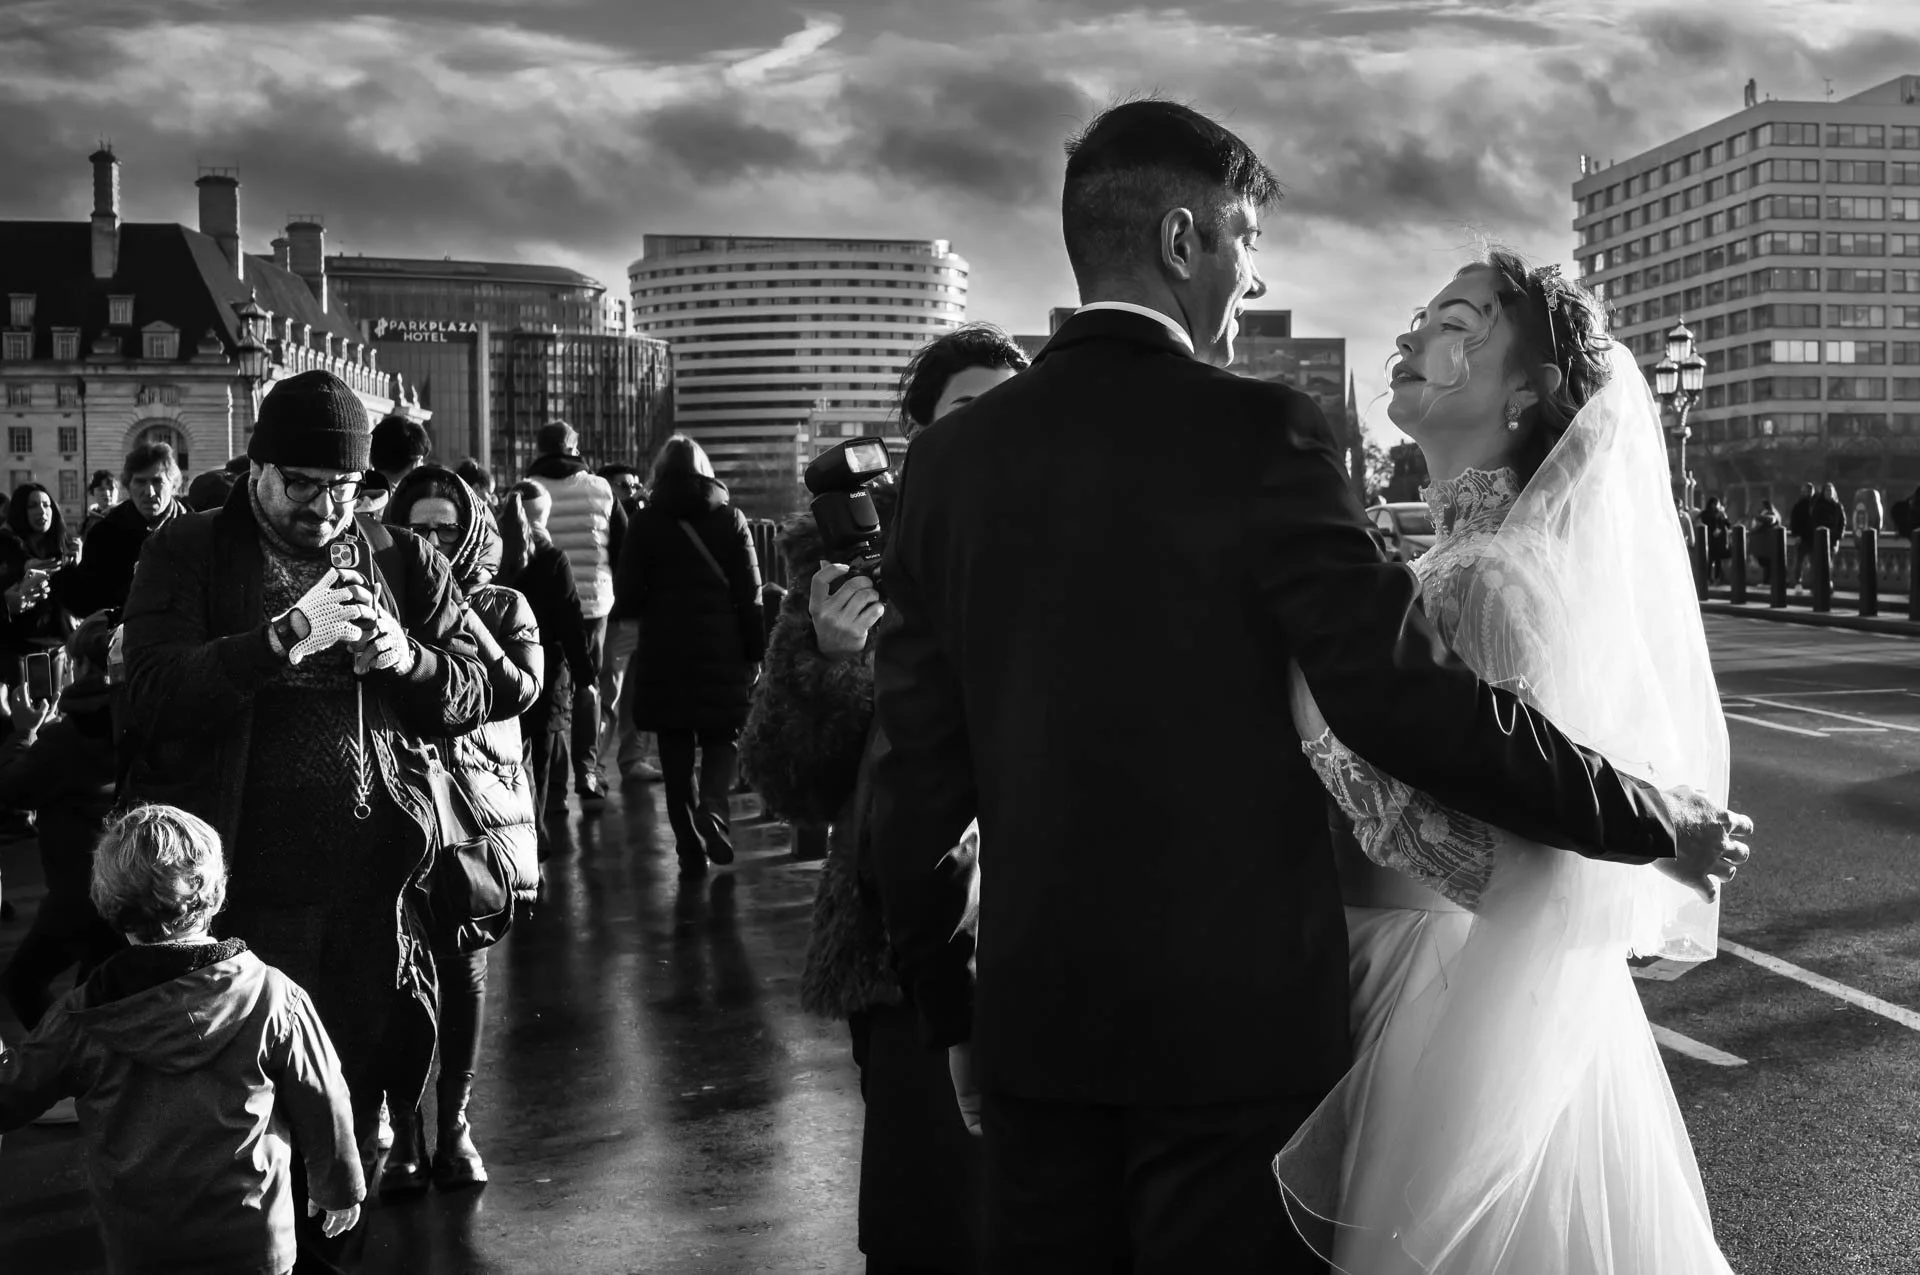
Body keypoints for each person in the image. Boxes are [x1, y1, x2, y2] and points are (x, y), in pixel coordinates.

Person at [866, 98, 1750, 1273]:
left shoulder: (950, 465)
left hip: (1040, 1028)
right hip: (1233, 1044)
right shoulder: (1260, 435)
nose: (1248, 276)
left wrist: (954, 1010)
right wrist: (1648, 818)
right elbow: (1406, 703)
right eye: (1245, 243)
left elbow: (916, 785)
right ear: (1185, 242)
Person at [1272, 252, 1739, 1272]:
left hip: (1424, 992)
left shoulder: (1484, 582)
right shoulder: (1432, 570)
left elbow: (1519, 831)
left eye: (1456, 319)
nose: (1412, 335)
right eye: (1422, 312)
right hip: (1365, 969)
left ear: (1524, 389)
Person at [120, 368, 490, 1267]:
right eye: (305, 486)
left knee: (348, 1118)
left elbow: (483, 684)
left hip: (372, 892)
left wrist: (407, 659)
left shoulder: (398, 555)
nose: (327, 509)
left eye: (347, 489)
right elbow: (155, 693)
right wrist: (281, 637)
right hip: (244, 886)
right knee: (252, 1119)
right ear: (257, 469)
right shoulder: (191, 552)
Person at [741, 322, 1028, 1275]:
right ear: (918, 438)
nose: (989, 433)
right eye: (963, 413)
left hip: (1064, 936)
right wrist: (829, 661)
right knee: (930, 1217)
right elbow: (793, 784)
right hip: (904, 948)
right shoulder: (849, 569)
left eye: (1008, 412)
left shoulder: (1077, 542)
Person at [0, 803, 363, 1275]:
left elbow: (12, 1096)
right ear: (213, 890)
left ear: (109, 901)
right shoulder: (273, 994)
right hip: (254, 1240)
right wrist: (338, 1187)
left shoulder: (84, 1016)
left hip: (145, 1246)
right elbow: (324, 1095)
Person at [381, 465, 541, 1193]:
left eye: (447, 526)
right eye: (417, 528)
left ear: (470, 528)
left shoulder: (503, 603)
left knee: (462, 970)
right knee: (394, 978)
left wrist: (451, 606)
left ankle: (457, 1125)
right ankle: (406, 1129)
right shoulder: (386, 593)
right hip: (394, 809)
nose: (432, 540)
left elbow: (522, 689)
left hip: (471, 815)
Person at [614, 435, 762, 875]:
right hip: (722, 645)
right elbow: (750, 595)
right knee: (723, 736)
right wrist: (754, 653)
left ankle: (688, 850)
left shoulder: (645, 522)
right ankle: (713, 809)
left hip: (665, 648)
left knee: (674, 747)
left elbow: (627, 592)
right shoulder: (731, 519)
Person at [0, 612, 123, 1045]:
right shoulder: (134, 720)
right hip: (123, 885)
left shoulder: (65, 739)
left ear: (81, 666)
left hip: (75, 893)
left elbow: (14, 790)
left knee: (22, 984)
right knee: (93, 999)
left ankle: (66, 1076)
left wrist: (23, 734)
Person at [525, 421, 628, 808]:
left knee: (549, 689)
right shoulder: (601, 489)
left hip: (542, 607)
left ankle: (553, 787)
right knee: (588, 682)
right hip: (592, 603)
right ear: (573, 447)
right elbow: (622, 547)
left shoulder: (527, 490)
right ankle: (588, 769)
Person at [497, 481, 594, 856]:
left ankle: (518, 830)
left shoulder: (497, 554)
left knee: (510, 757)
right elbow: (571, 622)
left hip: (504, 670)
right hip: (547, 671)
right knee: (541, 756)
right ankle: (536, 829)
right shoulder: (553, 559)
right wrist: (585, 677)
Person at [55, 442, 185, 619]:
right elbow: (87, 603)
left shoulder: (194, 529)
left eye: (157, 481)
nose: (150, 492)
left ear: (173, 485)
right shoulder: (105, 534)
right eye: (140, 481)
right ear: (128, 487)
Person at [596, 461, 661, 783]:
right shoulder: (601, 520)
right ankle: (593, 767)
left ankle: (633, 759)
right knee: (610, 694)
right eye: (623, 485)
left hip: (641, 616)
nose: (632, 492)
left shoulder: (642, 519)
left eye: (634, 486)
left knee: (637, 693)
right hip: (616, 618)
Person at [0, 482, 81, 678]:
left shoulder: (65, 547)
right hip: (16, 653)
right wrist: (20, 572)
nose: (41, 511)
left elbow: (79, 599)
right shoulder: (4, 544)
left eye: (46, 505)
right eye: (33, 506)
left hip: (58, 649)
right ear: (20, 510)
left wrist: (79, 565)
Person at [369, 413, 431, 490]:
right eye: (422, 460)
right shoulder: (399, 499)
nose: (422, 465)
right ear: (416, 460)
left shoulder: (358, 488)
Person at [1787, 481, 1815, 589]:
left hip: (1812, 538)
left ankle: (1813, 584)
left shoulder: (1815, 505)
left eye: (1807, 491)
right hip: (1803, 537)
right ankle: (1797, 582)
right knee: (1799, 562)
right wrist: (1797, 535)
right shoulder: (1799, 505)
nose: (1806, 493)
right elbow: (1794, 521)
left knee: (1813, 563)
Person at [79, 470, 121, 537]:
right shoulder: (88, 522)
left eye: (111, 489)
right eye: (101, 489)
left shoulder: (126, 517)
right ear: (93, 492)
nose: (107, 493)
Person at [1702, 493, 1731, 584]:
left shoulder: (1720, 513)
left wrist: (1724, 516)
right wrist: (1715, 517)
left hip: (1720, 540)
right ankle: (1708, 578)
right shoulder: (1706, 513)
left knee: (1718, 559)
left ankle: (1718, 577)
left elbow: (1728, 525)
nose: (1715, 506)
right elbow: (1707, 523)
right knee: (1710, 559)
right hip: (1710, 539)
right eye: (1714, 504)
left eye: (1717, 504)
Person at [1752, 498, 1782, 584]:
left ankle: (1768, 582)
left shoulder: (1771, 514)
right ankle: (1767, 581)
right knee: (1767, 563)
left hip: (1768, 543)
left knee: (1767, 562)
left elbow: (1770, 520)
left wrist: (1757, 517)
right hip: (1767, 543)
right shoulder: (1773, 513)